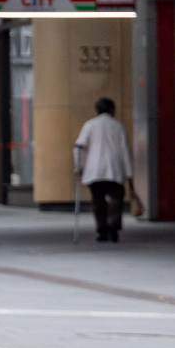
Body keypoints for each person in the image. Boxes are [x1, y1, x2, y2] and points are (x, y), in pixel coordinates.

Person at [74, 96, 133, 243]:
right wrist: (129, 173)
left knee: (98, 201)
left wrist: (78, 166)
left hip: (95, 171)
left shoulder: (89, 125)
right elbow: (125, 151)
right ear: (112, 110)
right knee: (116, 199)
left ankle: (102, 230)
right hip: (114, 169)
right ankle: (113, 227)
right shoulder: (118, 126)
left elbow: (79, 146)